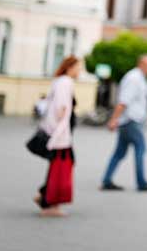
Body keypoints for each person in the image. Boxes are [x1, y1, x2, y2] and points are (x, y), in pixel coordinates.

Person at [100, 54, 147, 192]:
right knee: (140, 148)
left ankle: (107, 180)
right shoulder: (134, 79)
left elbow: (138, 102)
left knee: (119, 152)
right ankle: (141, 182)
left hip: (130, 120)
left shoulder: (139, 78)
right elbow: (123, 101)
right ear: (141, 64)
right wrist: (114, 119)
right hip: (130, 121)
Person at [34, 56, 82, 217]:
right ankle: (48, 204)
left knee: (60, 166)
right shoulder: (65, 82)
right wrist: (58, 135)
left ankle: (44, 196)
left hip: (60, 134)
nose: (80, 70)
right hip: (60, 135)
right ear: (70, 67)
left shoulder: (60, 81)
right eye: (78, 67)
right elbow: (61, 109)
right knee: (60, 168)